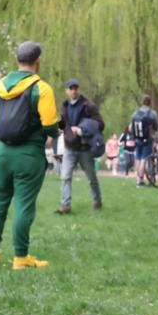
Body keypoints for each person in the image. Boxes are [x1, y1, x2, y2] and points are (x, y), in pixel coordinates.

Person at [0, 41, 60, 269]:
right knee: (24, 206)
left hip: (3, 154)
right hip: (28, 155)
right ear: (38, 62)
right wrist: (54, 131)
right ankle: (20, 258)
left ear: (17, 61)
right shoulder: (42, 89)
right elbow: (50, 127)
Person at [56, 79, 105, 214]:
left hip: (85, 148)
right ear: (66, 91)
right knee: (65, 177)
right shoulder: (65, 106)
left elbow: (100, 123)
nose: (73, 91)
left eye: (75, 88)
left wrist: (83, 129)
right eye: (71, 88)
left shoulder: (88, 105)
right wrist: (59, 129)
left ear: (78, 89)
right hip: (70, 148)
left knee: (92, 178)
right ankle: (65, 206)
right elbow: (62, 122)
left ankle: (97, 201)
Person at [131, 95, 158, 187]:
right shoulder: (152, 113)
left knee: (138, 158)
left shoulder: (135, 113)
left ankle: (137, 180)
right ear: (150, 103)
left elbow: (132, 127)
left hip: (137, 138)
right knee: (144, 159)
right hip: (147, 139)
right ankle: (141, 180)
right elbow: (156, 126)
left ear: (142, 102)